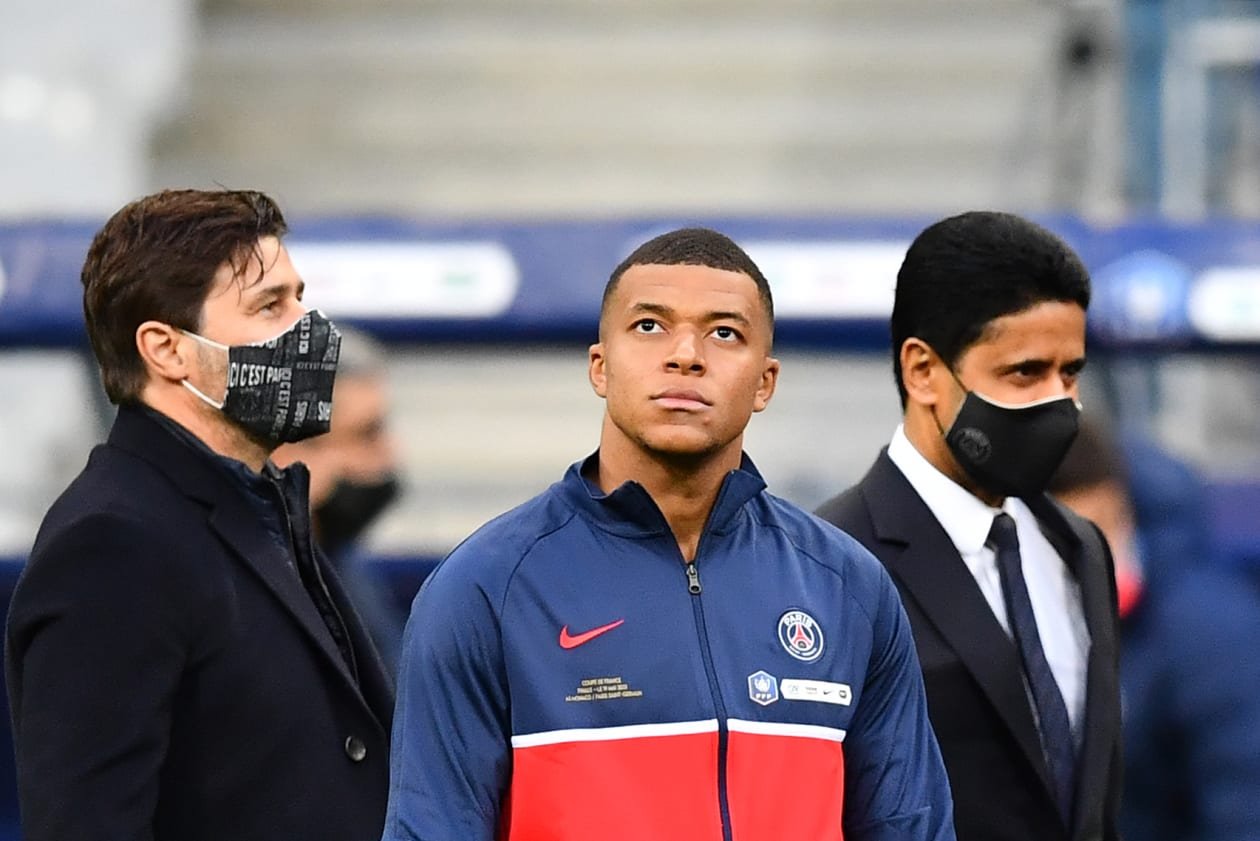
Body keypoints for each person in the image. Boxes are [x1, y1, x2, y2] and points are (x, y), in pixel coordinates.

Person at [381, 227, 955, 841]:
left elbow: (910, 827)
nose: (686, 355)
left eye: (724, 333)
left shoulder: (848, 586)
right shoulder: (483, 588)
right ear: (600, 367)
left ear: (765, 382)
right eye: (650, 326)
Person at [5, 189, 395, 841]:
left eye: (300, 298)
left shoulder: (266, 505)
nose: (309, 329)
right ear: (166, 349)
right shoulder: (112, 543)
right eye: (270, 305)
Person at [816, 211, 1123, 841]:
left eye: (1070, 373)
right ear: (923, 371)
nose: (1059, 402)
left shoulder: (1078, 548)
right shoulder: (830, 563)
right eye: (1025, 373)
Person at [1049, 419, 1260, 841]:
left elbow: (1243, 805)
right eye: (1063, 542)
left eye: (1103, 525)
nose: (1092, 556)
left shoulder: (1210, 632)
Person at [273, 326, 408, 672]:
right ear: (285, 452)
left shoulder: (337, 563)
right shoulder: (259, 599)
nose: (389, 454)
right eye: (367, 434)